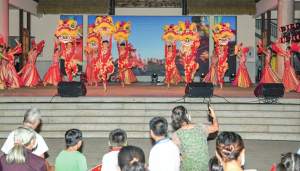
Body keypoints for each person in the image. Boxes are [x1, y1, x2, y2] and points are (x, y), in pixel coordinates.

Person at [171, 106, 219, 170]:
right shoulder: (201, 127)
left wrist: (187, 157)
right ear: (187, 115)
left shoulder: (176, 135)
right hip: (203, 168)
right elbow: (216, 127)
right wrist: (214, 115)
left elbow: (175, 155)